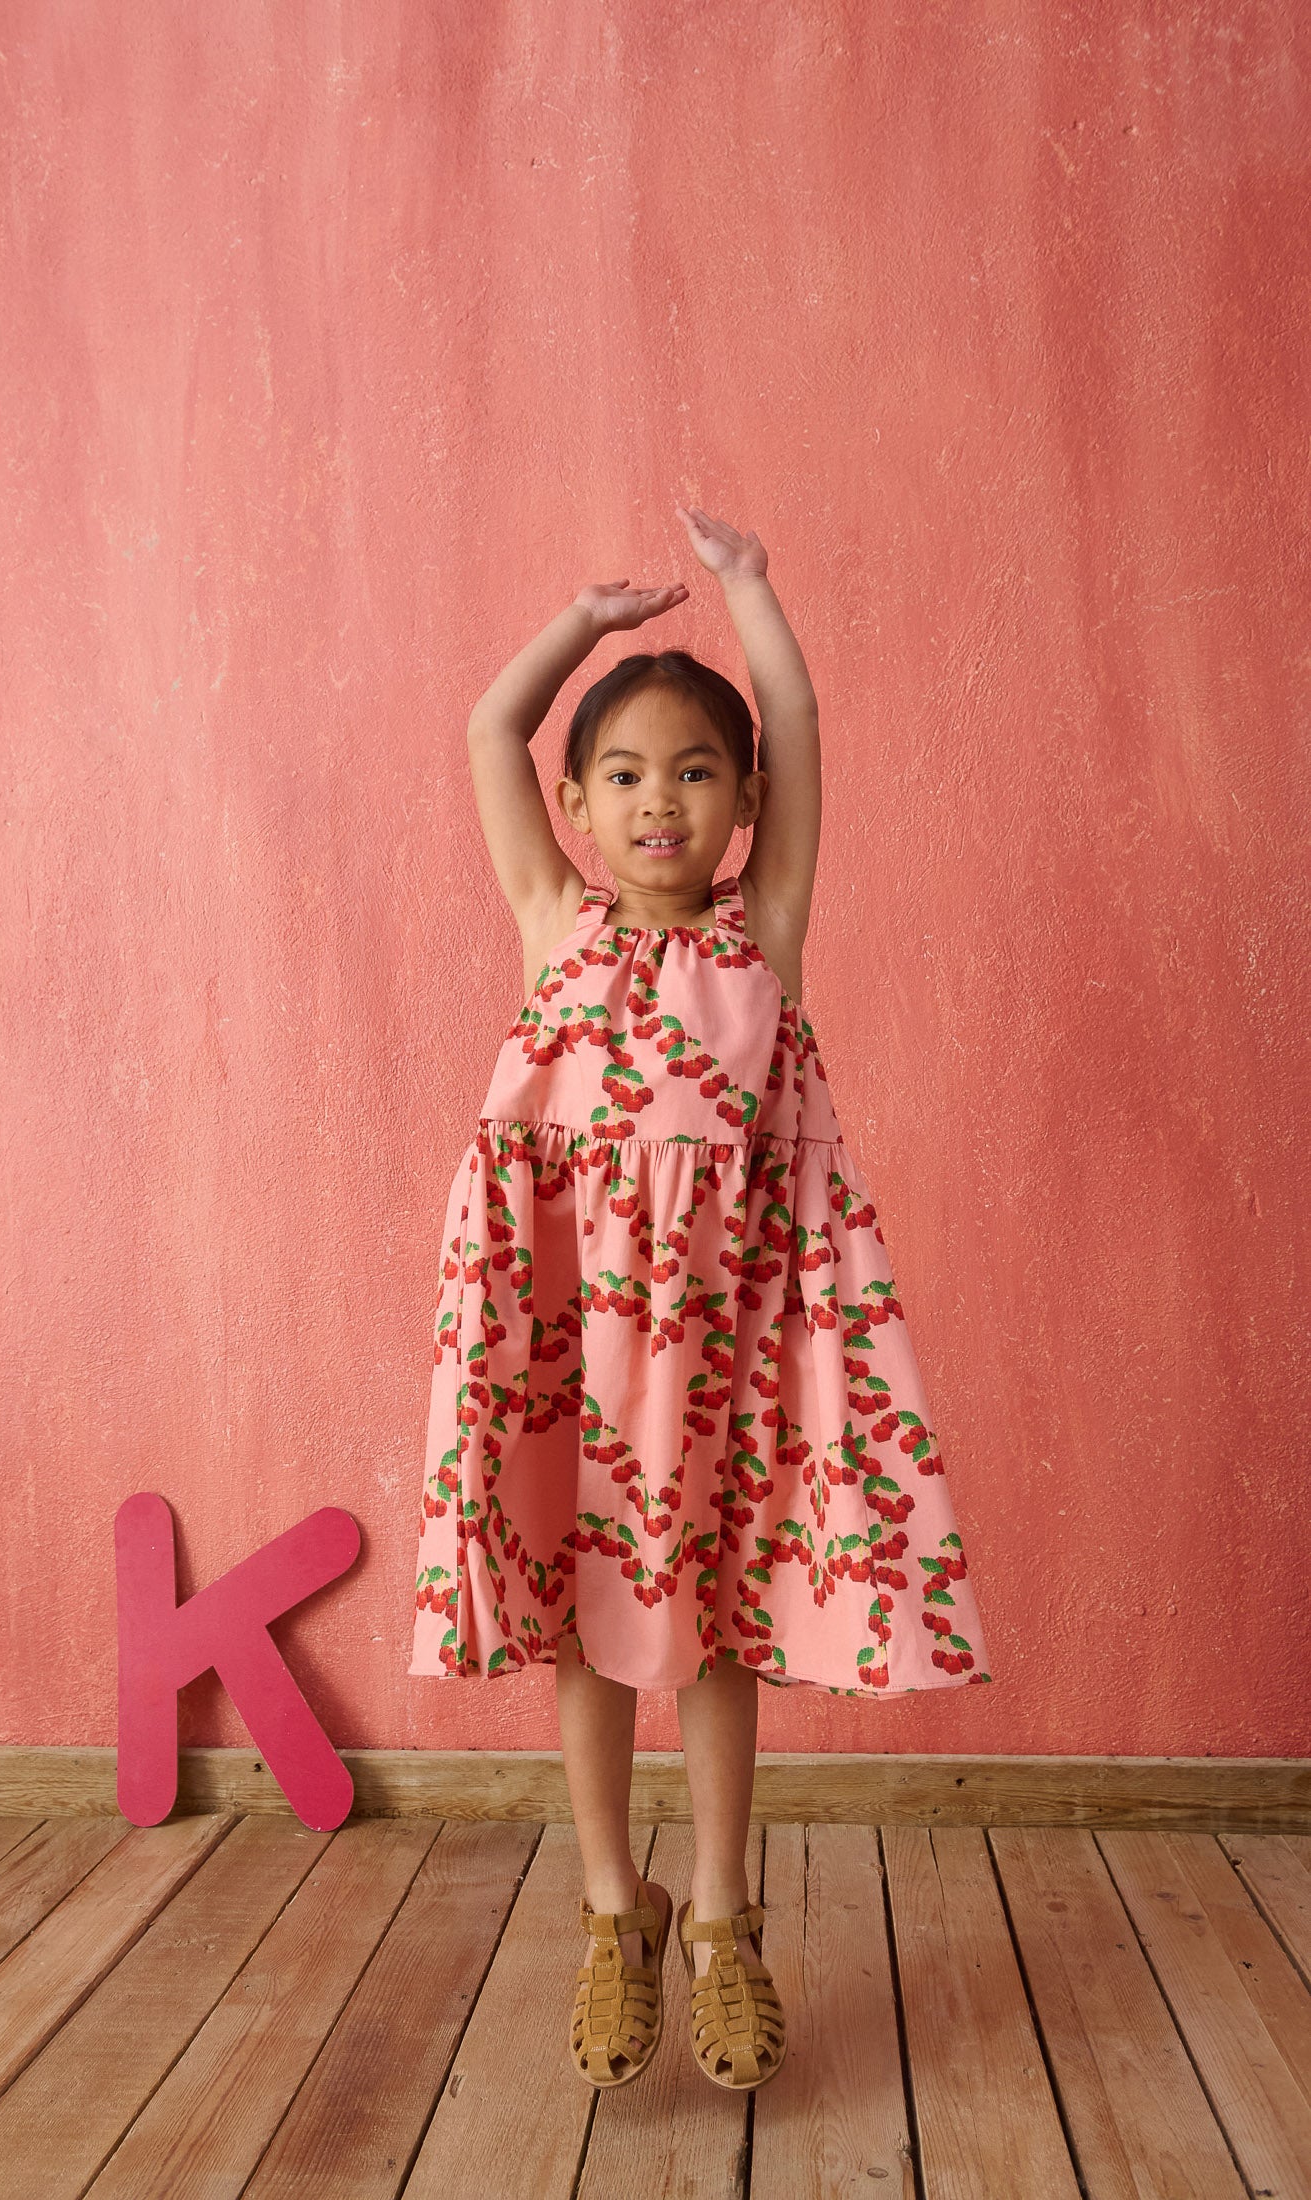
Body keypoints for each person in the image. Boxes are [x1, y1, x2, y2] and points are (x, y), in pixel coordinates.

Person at [408, 502, 993, 2092]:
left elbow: (795, 716)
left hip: (728, 1345)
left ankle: (725, 1912)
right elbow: (491, 726)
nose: (657, 799)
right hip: (571, 1349)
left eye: (692, 772)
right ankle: (617, 1909)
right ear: (576, 808)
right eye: (621, 775)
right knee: (584, 1624)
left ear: (742, 801)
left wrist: (747, 588)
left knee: (717, 1622)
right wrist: (584, 623)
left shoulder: (763, 933)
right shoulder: (553, 926)